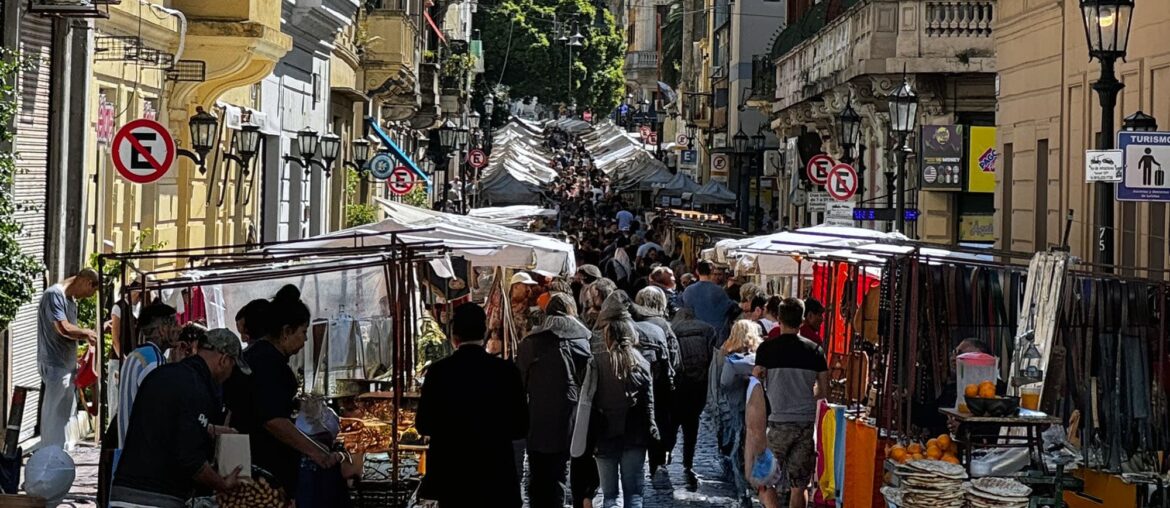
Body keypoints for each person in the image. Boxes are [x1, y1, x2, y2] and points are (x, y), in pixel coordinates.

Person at [109, 329, 251, 507]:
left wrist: (209, 429)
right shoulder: (198, 388)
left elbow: (165, 423)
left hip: (122, 493)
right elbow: (191, 459)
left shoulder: (163, 375)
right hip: (156, 499)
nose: (230, 375)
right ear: (223, 360)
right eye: (233, 367)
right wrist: (222, 484)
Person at [224, 285, 340, 498]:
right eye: (303, 332)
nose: (305, 340)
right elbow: (273, 419)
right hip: (263, 471)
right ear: (286, 331)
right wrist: (317, 452)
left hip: (253, 465)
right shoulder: (268, 362)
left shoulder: (258, 356)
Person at [417, 302, 528, 507]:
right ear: (484, 332)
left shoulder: (438, 373)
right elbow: (520, 426)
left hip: (453, 477)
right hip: (496, 475)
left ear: (454, 335)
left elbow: (424, 424)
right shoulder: (506, 372)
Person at [516, 294, 592, 508]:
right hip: (570, 417)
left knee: (538, 473)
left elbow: (519, 382)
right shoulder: (582, 341)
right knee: (559, 472)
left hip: (537, 417)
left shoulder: (531, 343)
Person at [754, 297, 829, 508]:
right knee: (800, 485)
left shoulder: (766, 349)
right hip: (805, 424)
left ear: (779, 319)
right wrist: (805, 394)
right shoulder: (815, 350)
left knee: (765, 481)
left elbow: (756, 380)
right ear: (803, 319)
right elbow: (823, 390)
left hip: (776, 423)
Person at [581, 319, 659, 508]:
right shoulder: (641, 362)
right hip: (635, 433)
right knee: (634, 495)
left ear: (607, 338)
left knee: (610, 496)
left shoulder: (597, 362)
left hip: (604, 432)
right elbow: (649, 404)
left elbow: (588, 399)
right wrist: (651, 428)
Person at [37, 268, 100, 449]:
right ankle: (49, 456)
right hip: (55, 365)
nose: (89, 296)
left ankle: (58, 456)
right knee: (53, 418)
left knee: (63, 418)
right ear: (87, 282)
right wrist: (87, 333)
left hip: (67, 366)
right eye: (92, 291)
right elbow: (63, 328)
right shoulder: (54, 295)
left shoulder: (71, 301)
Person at [116, 302, 180, 448]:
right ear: (162, 329)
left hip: (129, 451)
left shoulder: (134, 356)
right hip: (144, 453)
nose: (179, 328)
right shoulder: (154, 361)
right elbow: (162, 410)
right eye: (174, 323)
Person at [633, 287, 680, 476]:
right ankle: (657, 462)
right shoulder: (664, 325)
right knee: (659, 420)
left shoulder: (631, 323)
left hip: (635, 382)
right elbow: (675, 358)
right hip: (660, 385)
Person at [669, 308, 716, 489]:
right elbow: (712, 357)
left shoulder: (672, 330)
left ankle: (668, 453)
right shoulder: (707, 329)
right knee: (692, 423)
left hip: (679, 384)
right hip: (699, 385)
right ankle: (688, 460)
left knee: (673, 421)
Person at [720, 320, 763, 508]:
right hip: (762, 411)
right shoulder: (761, 360)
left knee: (739, 450)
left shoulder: (732, 362)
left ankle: (744, 491)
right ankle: (762, 486)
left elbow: (724, 383)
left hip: (738, 409)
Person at [681, 260, 736, 343]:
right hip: (715, 337)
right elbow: (730, 308)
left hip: (694, 336)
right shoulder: (719, 291)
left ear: (697, 271)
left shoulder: (688, 291)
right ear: (712, 271)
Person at [109, 281, 142, 359]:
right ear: (137, 293)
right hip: (119, 359)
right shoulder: (119, 307)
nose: (140, 299)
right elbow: (115, 339)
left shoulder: (139, 308)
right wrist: (123, 359)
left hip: (133, 358)